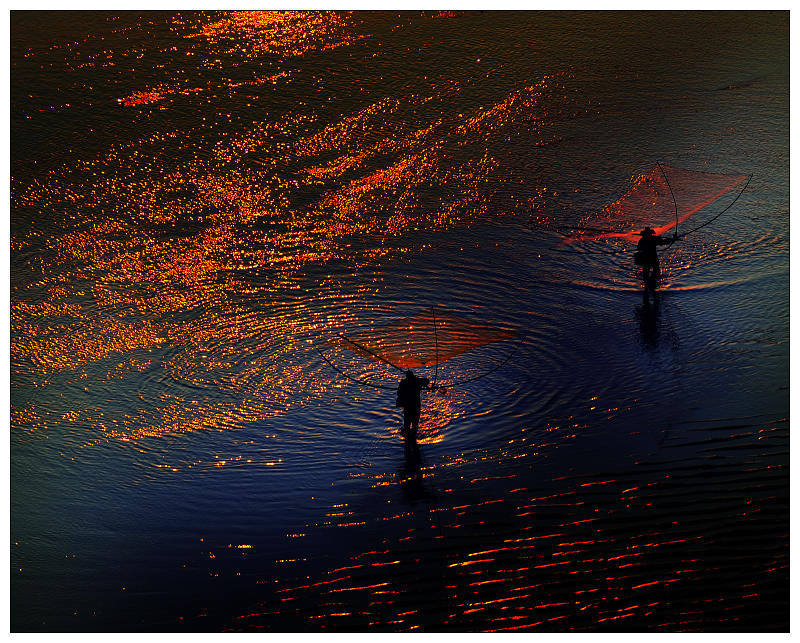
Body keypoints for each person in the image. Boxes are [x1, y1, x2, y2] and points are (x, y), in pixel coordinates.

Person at [635, 227, 676, 291]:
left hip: (650, 258)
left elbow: (663, 242)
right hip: (649, 258)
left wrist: (672, 239)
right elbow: (663, 242)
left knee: (652, 272)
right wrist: (672, 239)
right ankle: (650, 285)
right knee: (650, 273)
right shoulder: (649, 240)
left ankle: (649, 285)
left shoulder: (645, 240)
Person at [396, 370, 430, 441]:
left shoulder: (403, 382)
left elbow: (399, 393)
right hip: (416, 406)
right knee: (415, 422)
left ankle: (408, 438)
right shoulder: (417, 381)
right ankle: (413, 437)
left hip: (408, 406)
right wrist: (417, 379)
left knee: (407, 423)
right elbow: (427, 381)